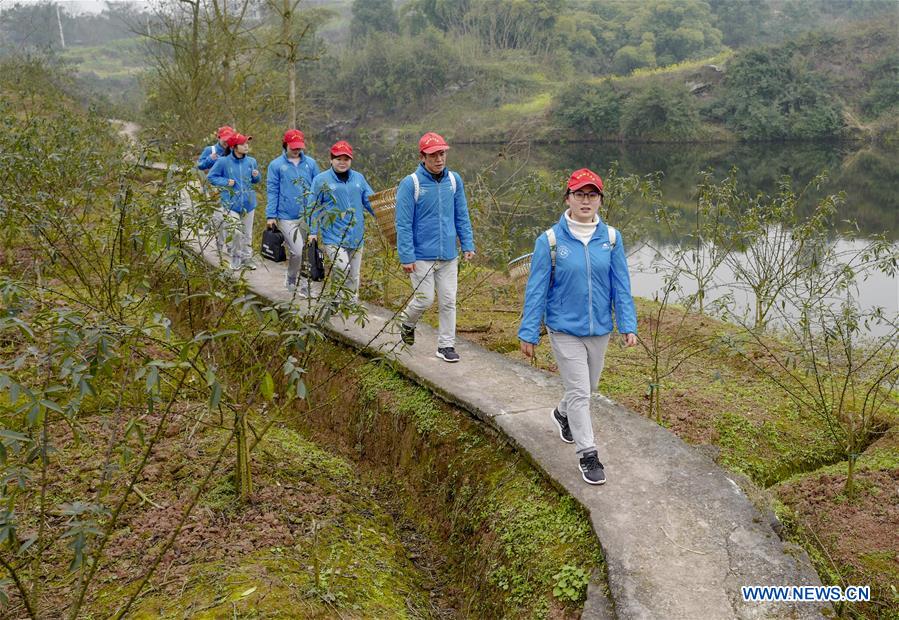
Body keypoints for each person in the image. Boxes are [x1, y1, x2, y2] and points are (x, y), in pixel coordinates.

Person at [518, 168, 638, 485]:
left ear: (600, 200)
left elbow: (621, 286)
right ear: (568, 198)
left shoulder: (611, 239)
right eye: (579, 194)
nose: (586, 201)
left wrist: (628, 324)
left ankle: (561, 414)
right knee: (581, 393)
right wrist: (529, 331)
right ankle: (588, 454)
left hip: (600, 329)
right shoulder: (551, 241)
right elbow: (536, 290)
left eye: (592, 194)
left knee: (588, 388)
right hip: (564, 329)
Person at [395, 131, 475, 363]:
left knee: (449, 300)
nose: (439, 159)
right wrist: (406, 256)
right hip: (421, 256)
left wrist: (467, 243)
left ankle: (446, 346)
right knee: (425, 299)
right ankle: (407, 322)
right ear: (422, 157)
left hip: (449, 255)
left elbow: (462, 214)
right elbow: (403, 223)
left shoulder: (454, 180)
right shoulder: (412, 183)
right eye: (433, 155)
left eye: (442, 154)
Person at [310, 140, 374, 303]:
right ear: (331, 159)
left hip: (356, 235)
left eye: (346, 159)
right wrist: (312, 232)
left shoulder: (358, 178)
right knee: (342, 267)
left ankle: (351, 303)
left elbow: (370, 201)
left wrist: (383, 215)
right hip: (333, 236)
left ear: (351, 160)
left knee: (354, 273)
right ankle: (336, 300)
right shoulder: (321, 180)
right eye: (338, 158)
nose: (342, 162)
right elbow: (313, 206)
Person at [265, 129, 320, 295]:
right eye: (293, 147)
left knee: (307, 252)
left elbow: (318, 187)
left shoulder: (311, 164)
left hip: (307, 215)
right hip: (285, 216)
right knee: (297, 251)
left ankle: (304, 286)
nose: (297, 150)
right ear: (285, 144)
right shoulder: (276, 165)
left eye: (299, 147)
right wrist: (271, 215)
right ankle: (290, 276)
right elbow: (273, 191)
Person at [207, 132, 261, 271]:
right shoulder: (223, 161)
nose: (246, 146)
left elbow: (255, 180)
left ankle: (247, 259)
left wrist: (256, 176)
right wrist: (225, 182)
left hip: (249, 204)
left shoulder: (251, 161)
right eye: (243, 144)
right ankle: (236, 258)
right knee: (236, 232)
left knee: (247, 234)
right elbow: (212, 177)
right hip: (230, 204)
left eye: (247, 143)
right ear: (234, 147)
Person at [197, 126, 234, 255]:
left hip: (230, 189)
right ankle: (219, 245)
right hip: (213, 190)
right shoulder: (210, 150)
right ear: (218, 137)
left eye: (229, 140)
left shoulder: (233, 151)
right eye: (224, 139)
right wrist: (209, 159)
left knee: (230, 218)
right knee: (218, 219)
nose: (226, 142)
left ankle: (230, 247)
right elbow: (199, 165)